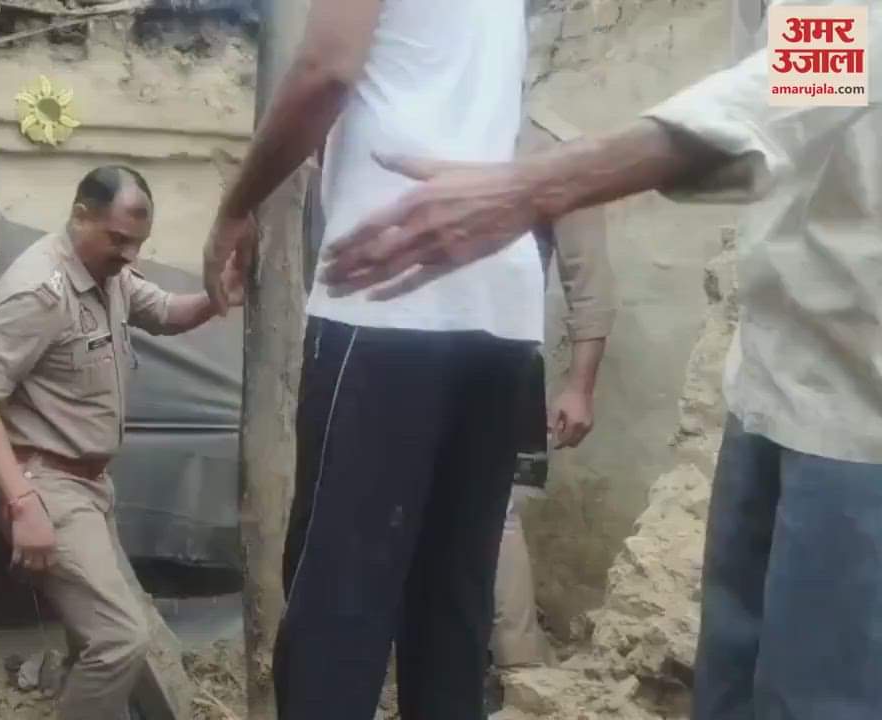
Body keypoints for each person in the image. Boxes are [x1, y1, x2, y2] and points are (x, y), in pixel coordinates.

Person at [318, 1, 881, 717]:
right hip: (771, 376)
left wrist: (538, 183)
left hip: (858, 406)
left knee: (819, 691)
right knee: (731, 679)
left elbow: (820, 64)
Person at [202, 1, 541, 717]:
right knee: (452, 603)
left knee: (338, 602)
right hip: (501, 297)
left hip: (388, 287)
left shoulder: (802, 41)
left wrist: (237, 204)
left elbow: (326, 70)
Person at [0, 165, 244, 720]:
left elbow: (165, 313)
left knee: (94, 638)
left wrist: (219, 292)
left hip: (87, 484)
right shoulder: (41, 291)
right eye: (119, 239)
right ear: (80, 215)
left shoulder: (107, 274)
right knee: (120, 638)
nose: (130, 254)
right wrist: (23, 503)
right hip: (44, 483)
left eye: (138, 243)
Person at [491, 111, 618, 675]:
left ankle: (521, 671)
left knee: (494, 515)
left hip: (500, 360)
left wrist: (579, 387)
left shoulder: (550, 147)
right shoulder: (420, 121)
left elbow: (589, 281)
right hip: (402, 356)